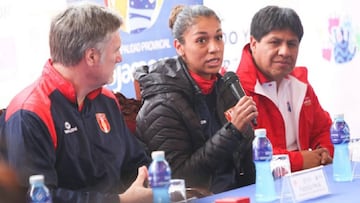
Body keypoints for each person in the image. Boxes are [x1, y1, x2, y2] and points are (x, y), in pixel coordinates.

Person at [0, 3, 152, 203]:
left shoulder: (106, 100)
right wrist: (119, 201)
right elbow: (35, 198)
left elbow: (136, 163)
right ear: (91, 56)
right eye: (116, 50)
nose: (120, 58)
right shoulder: (30, 112)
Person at [134, 5, 258, 195]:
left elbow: (246, 161)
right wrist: (232, 131)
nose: (214, 48)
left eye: (218, 37)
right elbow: (180, 178)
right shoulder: (162, 103)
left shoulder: (225, 86)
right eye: (201, 40)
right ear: (179, 47)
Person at [236, 5, 334, 172]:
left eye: (292, 44)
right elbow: (247, 153)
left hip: (305, 183)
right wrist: (300, 161)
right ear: (253, 43)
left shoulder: (300, 84)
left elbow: (323, 130)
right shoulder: (235, 89)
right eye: (275, 42)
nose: (285, 51)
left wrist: (324, 152)